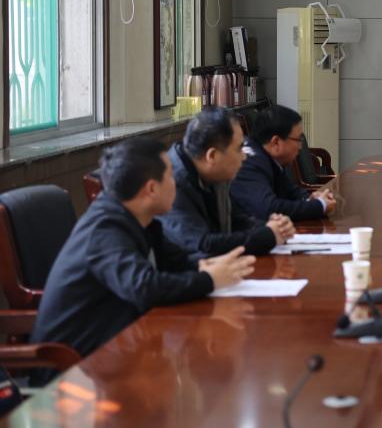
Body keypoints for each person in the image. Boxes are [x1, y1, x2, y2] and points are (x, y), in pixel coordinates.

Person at [30, 138, 255, 360]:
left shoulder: (138, 218)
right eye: (170, 176)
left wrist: (204, 265)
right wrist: (209, 279)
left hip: (115, 350)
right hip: (72, 365)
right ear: (151, 189)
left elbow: (176, 261)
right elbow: (144, 288)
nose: (175, 182)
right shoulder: (105, 229)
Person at [160, 107, 294, 261]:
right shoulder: (171, 183)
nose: (244, 157)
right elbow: (203, 245)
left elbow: (236, 220)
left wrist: (272, 227)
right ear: (212, 155)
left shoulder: (214, 171)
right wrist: (268, 236)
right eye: (239, 149)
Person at [229, 105, 336, 221]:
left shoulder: (267, 157)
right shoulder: (249, 162)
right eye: (298, 140)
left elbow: (290, 191)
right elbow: (268, 209)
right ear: (276, 143)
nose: (300, 147)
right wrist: (320, 205)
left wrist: (310, 198)